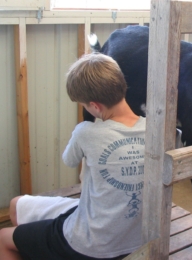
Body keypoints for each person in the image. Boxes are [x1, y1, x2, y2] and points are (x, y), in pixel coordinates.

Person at [0, 53, 146, 260]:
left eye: (84, 105)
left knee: (3, 238)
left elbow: (69, 160)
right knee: (17, 206)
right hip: (133, 238)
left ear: (95, 106)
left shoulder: (86, 132)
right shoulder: (152, 129)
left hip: (88, 243)